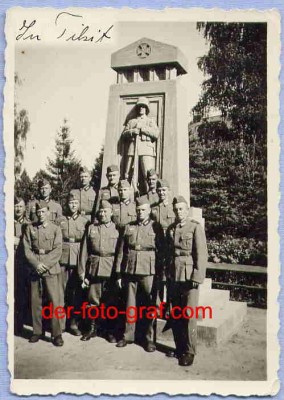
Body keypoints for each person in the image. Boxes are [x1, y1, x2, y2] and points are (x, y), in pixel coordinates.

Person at [115, 197, 163, 352]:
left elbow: (161, 252)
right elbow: (122, 251)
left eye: (143, 210)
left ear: (149, 210)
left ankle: (149, 339)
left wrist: (159, 273)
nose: (140, 212)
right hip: (130, 269)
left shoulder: (156, 227)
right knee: (130, 303)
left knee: (150, 304)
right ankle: (128, 335)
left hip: (148, 270)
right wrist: (119, 273)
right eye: (138, 210)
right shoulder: (129, 227)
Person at [165, 196, 208, 366]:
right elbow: (170, 254)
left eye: (181, 209)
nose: (178, 212)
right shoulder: (171, 228)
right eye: (176, 209)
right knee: (176, 313)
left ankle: (190, 351)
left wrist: (198, 276)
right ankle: (180, 348)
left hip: (189, 275)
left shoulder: (195, 227)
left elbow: (201, 253)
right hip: (174, 274)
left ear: (187, 210)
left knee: (189, 314)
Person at [23, 200, 64, 347]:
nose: (40, 214)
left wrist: (45, 264)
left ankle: (56, 334)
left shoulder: (55, 228)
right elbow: (27, 248)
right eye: (38, 212)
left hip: (50, 268)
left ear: (48, 212)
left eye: (43, 212)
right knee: (35, 301)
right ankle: (37, 331)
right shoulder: (30, 228)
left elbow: (58, 249)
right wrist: (36, 264)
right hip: (35, 268)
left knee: (54, 301)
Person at [78, 200, 120, 342]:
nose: (102, 214)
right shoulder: (91, 228)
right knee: (92, 300)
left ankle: (109, 331)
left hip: (111, 268)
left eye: (105, 211)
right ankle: (92, 329)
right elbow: (84, 251)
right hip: (94, 268)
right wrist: (82, 272)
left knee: (110, 301)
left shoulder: (117, 229)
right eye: (101, 211)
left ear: (111, 213)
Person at [56, 192, 88, 335]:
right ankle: (61, 324)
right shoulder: (60, 220)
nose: (73, 205)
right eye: (71, 203)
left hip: (77, 259)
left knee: (76, 293)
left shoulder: (84, 221)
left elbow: (86, 244)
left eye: (75, 203)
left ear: (79, 204)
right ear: (67, 204)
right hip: (62, 259)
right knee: (61, 292)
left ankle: (74, 323)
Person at [122, 97, 159, 193]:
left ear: (146, 109)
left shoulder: (150, 121)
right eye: (139, 106)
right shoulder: (131, 122)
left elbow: (156, 134)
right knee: (127, 174)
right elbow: (123, 135)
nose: (141, 108)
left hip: (146, 149)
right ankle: (127, 196)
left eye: (143, 106)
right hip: (133, 148)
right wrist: (132, 131)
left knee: (148, 174)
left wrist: (143, 128)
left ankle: (150, 196)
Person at [14, 196, 30, 335]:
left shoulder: (29, 224)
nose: (18, 209)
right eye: (16, 206)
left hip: (22, 263)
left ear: (25, 209)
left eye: (20, 206)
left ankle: (19, 325)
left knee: (21, 294)